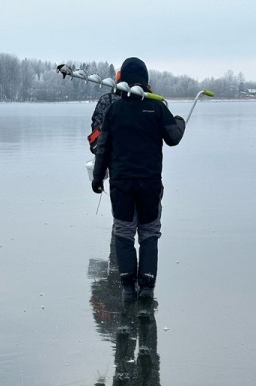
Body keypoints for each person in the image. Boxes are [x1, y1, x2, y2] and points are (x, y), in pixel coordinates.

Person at [91, 57, 185, 301]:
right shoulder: (156, 108)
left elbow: (103, 148)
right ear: (145, 81)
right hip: (149, 183)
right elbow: (173, 137)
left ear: (122, 81)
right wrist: (180, 121)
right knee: (149, 233)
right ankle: (146, 287)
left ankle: (126, 287)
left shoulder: (113, 110)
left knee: (123, 233)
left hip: (122, 184)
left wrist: (97, 178)